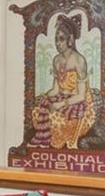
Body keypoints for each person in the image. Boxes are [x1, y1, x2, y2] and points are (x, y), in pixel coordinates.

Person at [31, 12, 95, 150]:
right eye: (56, 39)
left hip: (77, 101)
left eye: (61, 39)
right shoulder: (56, 60)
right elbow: (56, 89)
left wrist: (61, 104)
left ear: (70, 39)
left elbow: (81, 96)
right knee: (37, 110)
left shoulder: (79, 60)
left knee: (55, 118)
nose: (58, 43)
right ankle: (43, 142)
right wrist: (44, 97)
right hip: (62, 96)